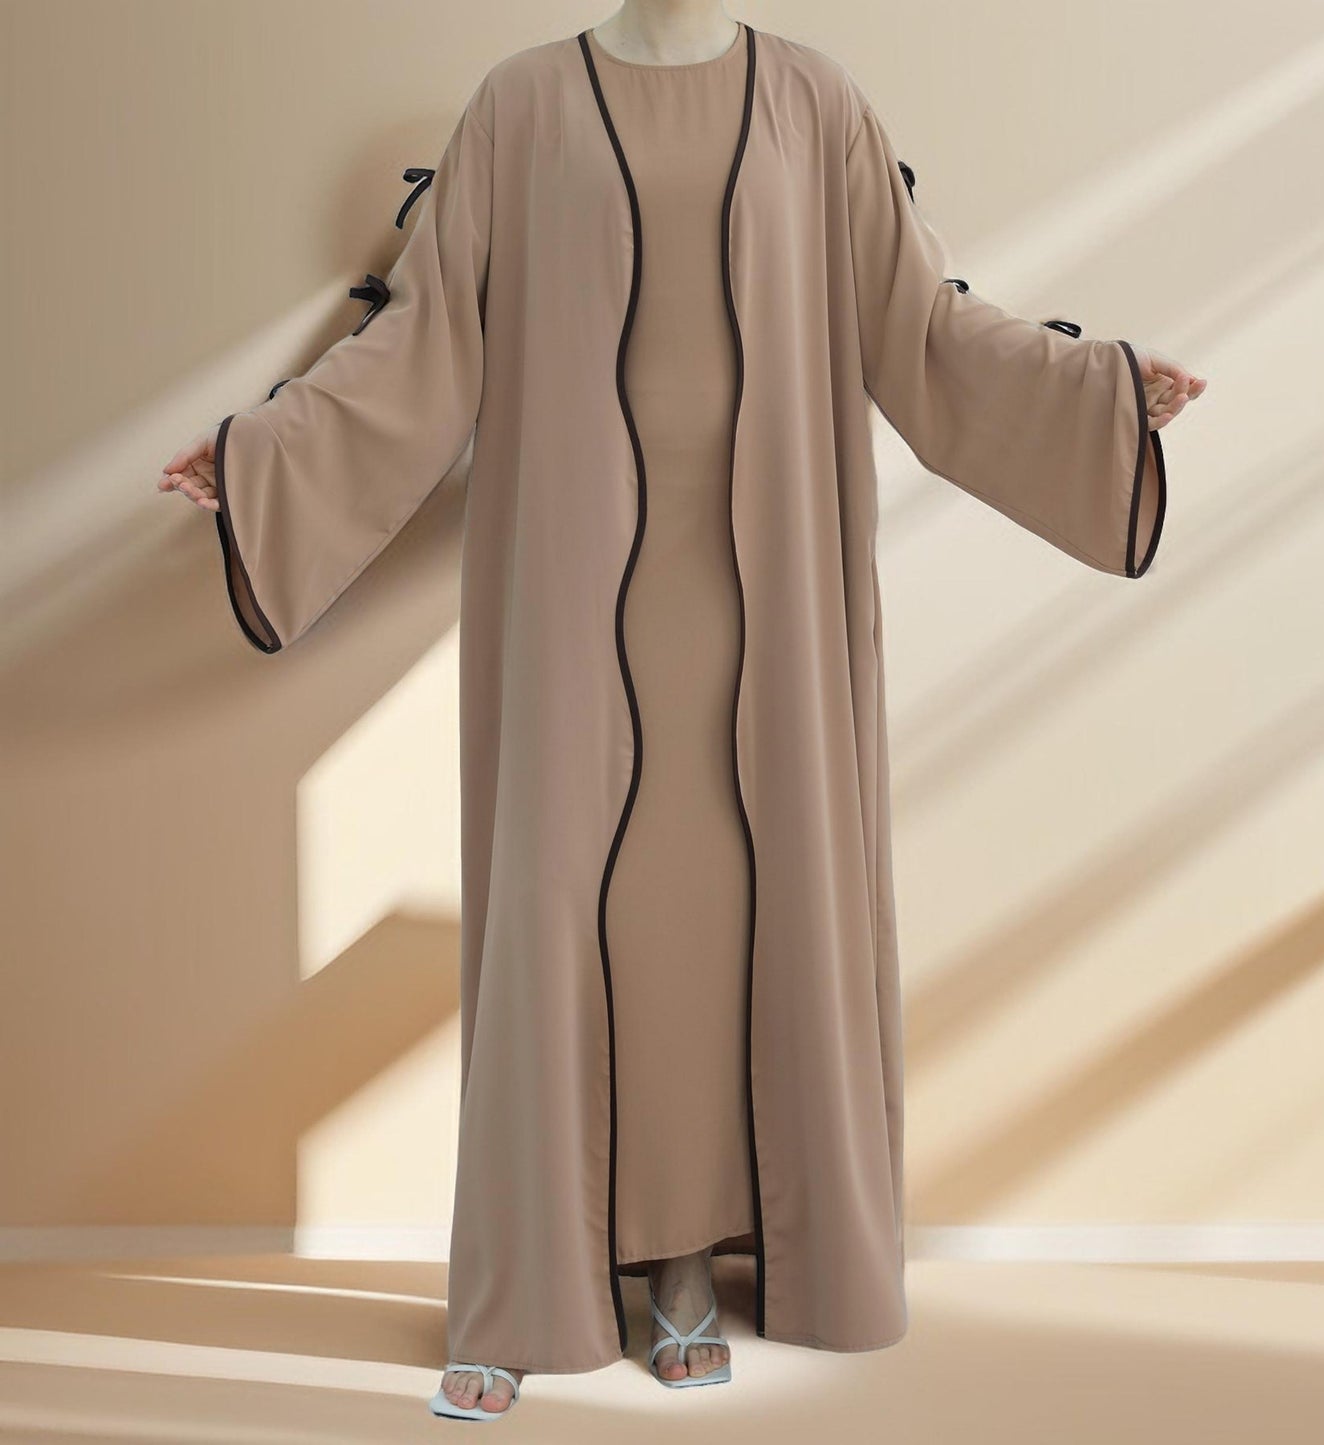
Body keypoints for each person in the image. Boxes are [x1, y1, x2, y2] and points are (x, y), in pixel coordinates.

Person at [159, 0, 1205, 1421]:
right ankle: (531, 1283)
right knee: (563, 917)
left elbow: (921, 324)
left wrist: (1100, 396)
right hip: (571, 589)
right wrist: (264, 458)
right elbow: (424, 334)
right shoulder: (521, 104)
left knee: (729, 926)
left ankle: (689, 1272)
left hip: (768, 592)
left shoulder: (818, 103)